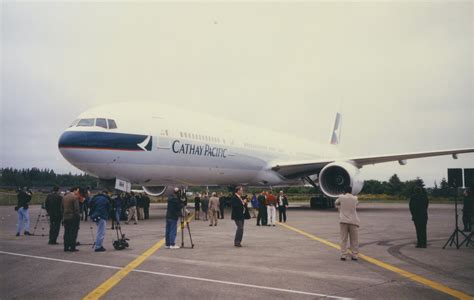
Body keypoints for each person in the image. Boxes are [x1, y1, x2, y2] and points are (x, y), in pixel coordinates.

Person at [335, 185, 360, 261]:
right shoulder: (355, 198)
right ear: (351, 191)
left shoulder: (341, 197)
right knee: (354, 240)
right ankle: (354, 255)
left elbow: (336, 202)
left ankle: (343, 255)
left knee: (343, 239)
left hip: (343, 221)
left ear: (344, 191)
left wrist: (339, 208)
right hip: (353, 221)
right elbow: (357, 204)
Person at [62, 187, 82, 252]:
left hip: (65, 217)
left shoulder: (64, 197)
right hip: (73, 217)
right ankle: (72, 247)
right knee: (73, 233)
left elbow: (61, 208)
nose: (78, 192)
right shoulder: (75, 197)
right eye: (77, 191)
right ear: (74, 190)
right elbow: (76, 209)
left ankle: (66, 247)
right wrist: (78, 216)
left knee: (66, 232)